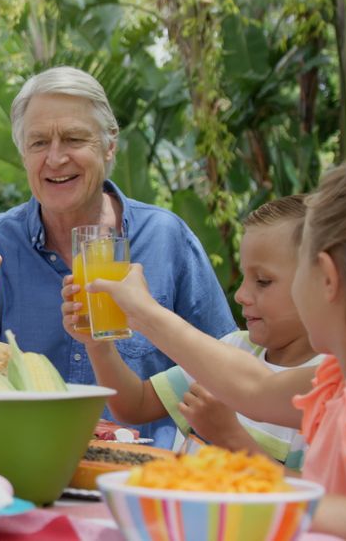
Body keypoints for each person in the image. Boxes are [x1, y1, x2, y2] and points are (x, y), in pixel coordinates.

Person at [82, 151, 346, 540]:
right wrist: (142, 312)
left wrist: (284, 503)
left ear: (328, 279)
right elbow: (254, 387)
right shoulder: (339, 379)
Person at [0, 66, 235, 443]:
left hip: (142, 475)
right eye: (39, 143)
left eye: (74, 138)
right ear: (23, 154)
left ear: (110, 146)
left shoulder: (165, 239)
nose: (56, 158)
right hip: (23, 464)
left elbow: (227, 367)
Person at [63, 195, 320, 466]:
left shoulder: (332, 382)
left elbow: (311, 497)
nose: (241, 295)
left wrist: (230, 436)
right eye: (244, 277)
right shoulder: (232, 348)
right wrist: (97, 344)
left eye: (263, 281)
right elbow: (133, 404)